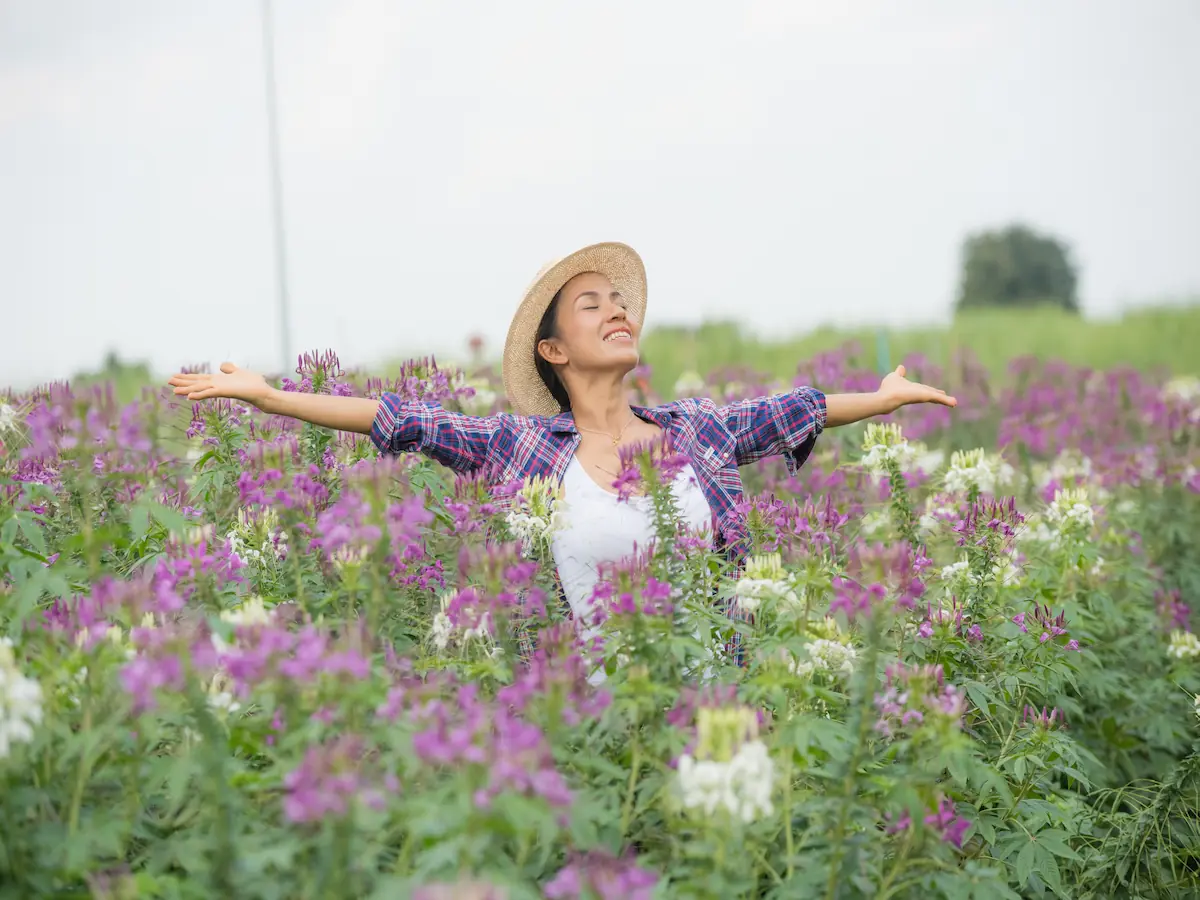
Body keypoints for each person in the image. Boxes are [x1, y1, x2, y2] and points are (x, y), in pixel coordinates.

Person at [168, 241, 956, 658]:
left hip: (728, 710)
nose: (617, 311)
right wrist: (269, 396)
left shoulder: (696, 432)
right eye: (592, 305)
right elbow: (404, 419)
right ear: (552, 350)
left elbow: (792, 409)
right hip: (610, 728)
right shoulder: (521, 450)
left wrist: (882, 400)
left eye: (620, 302)